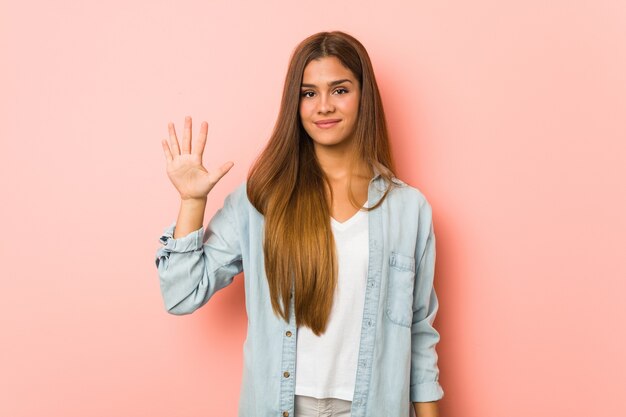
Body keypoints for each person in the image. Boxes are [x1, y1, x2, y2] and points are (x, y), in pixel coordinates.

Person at [155, 31, 444, 417]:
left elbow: (419, 334)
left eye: (339, 90)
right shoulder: (262, 200)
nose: (323, 106)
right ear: (295, 103)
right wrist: (192, 201)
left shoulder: (409, 209)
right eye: (308, 93)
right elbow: (181, 293)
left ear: (364, 96)